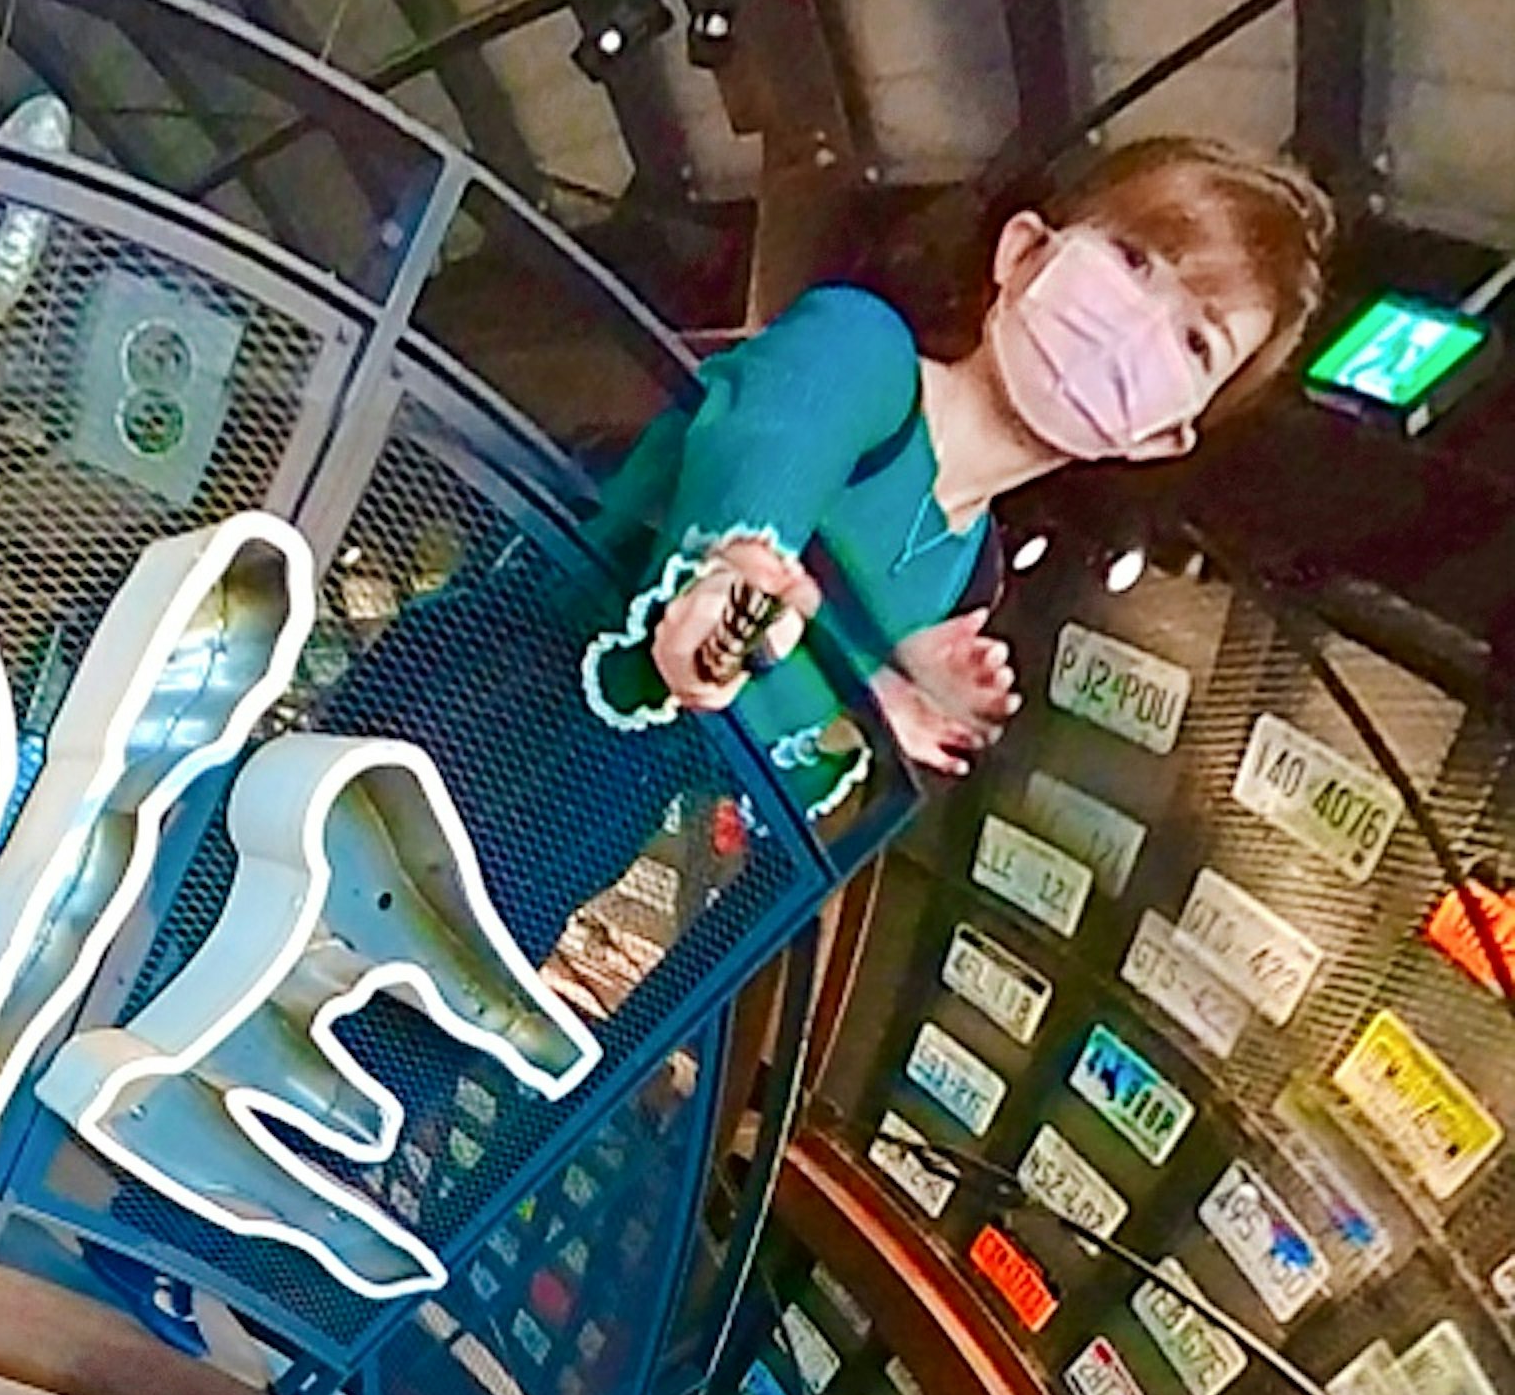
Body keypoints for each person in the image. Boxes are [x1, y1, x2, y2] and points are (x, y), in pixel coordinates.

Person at [342, 133, 1332, 976]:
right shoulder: (862, 353)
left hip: (553, 853)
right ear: (1023, 254)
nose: (1134, 329)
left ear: (1162, 438)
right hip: (460, 723)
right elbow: (765, 455)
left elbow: (766, 773)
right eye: (1132, 259)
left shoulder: (964, 576)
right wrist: (734, 584)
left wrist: (870, 709)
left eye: (1197, 345)